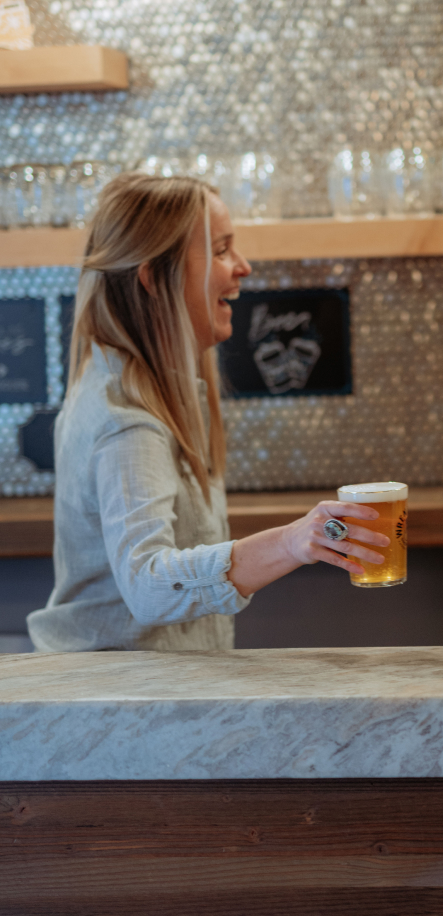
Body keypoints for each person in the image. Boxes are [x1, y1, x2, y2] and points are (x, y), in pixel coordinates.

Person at [27, 173, 388, 652]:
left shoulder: (145, 389)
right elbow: (148, 585)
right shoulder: (127, 418)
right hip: (125, 707)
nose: (243, 267)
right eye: (220, 250)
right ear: (154, 277)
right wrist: (290, 542)